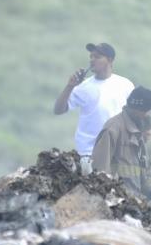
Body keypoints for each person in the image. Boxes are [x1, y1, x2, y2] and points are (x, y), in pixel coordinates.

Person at [53, 43, 134, 175]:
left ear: (110, 60)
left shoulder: (125, 85)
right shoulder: (84, 86)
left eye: (97, 57)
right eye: (91, 56)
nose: (92, 60)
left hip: (117, 152)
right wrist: (69, 86)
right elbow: (58, 110)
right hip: (88, 153)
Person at [92, 86, 151, 199]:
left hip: (135, 202)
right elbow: (99, 171)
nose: (146, 115)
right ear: (137, 110)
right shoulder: (112, 129)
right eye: (145, 111)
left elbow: (144, 172)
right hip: (115, 202)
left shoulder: (138, 133)